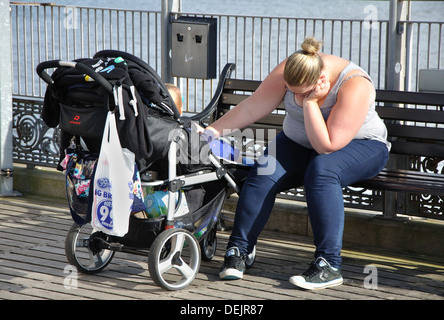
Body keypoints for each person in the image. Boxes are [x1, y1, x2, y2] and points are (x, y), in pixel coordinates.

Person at [202, 37, 390, 290]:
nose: (293, 96)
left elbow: (327, 146)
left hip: (360, 145)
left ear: (320, 79)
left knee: (322, 170)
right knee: (263, 172)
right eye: (291, 91)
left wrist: (310, 103)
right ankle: (239, 250)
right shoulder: (295, 67)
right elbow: (254, 105)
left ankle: (329, 265)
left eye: (301, 92)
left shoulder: (354, 84)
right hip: (299, 143)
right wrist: (211, 132)